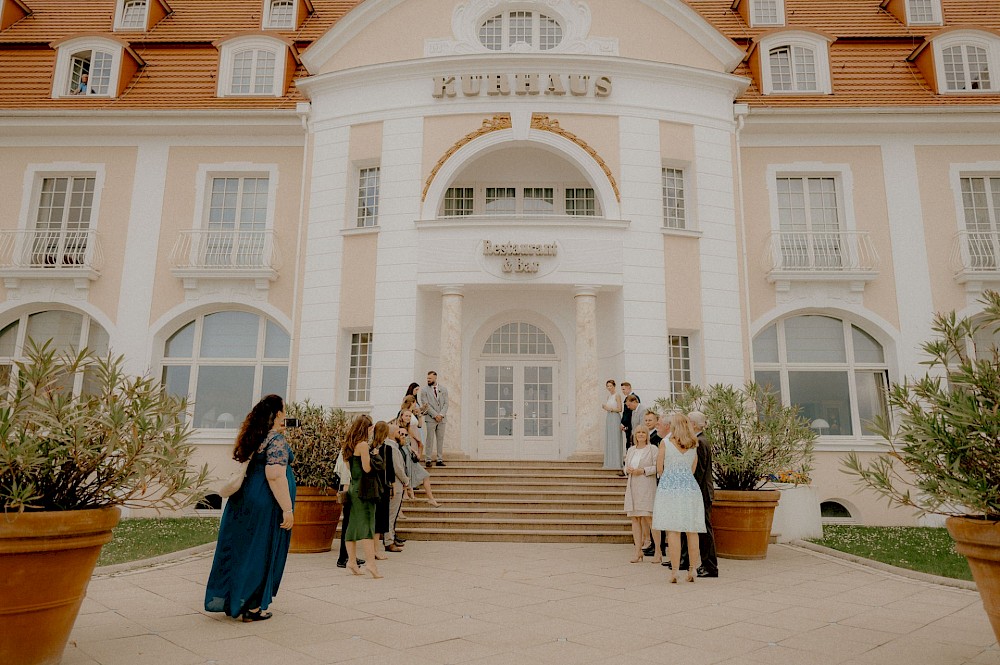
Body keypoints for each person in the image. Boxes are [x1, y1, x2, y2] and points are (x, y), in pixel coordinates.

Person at [205, 394, 295, 621]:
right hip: (265, 501)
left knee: (240, 549)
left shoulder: (257, 437)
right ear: (276, 415)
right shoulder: (276, 441)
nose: (286, 414)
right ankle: (252, 606)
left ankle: (233, 599)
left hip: (243, 499)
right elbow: (274, 476)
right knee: (260, 551)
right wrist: (287, 509)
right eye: (283, 410)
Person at [652, 412, 706, 583]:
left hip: (670, 489)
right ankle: (692, 570)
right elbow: (692, 469)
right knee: (692, 531)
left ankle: (675, 571)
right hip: (690, 488)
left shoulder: (665, 443)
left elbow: (659, 468)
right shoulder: (693, 444)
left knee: (673, 531)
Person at [679, 410, 719, 578]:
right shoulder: (701, 440)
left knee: (704, 530)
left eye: (688, 422)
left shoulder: (700, 442)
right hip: (701, 492)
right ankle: (701, 563)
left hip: (701, 493)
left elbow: (699, 472)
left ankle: (710, 566)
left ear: (693, 424)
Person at [342, 414, 383, 579]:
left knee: (352, 525)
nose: (372, 431)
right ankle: (371, 565)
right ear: (365, 428)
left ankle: (351, 561)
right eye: (370, 428)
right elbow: (367, 468)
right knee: (367, 524)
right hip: (364, 489)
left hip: (353, 487)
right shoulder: (363, 445)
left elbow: (350, 468)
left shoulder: (348, 445)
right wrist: (375, 456)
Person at [623, 425, 659, 563]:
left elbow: (657, 467)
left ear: (647, 435)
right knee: (635, 518)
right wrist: (628, 470)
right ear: (635, 435)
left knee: (649, 518)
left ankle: (658, 551)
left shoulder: (652, 449)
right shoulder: (631, 450)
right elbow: (625, 466)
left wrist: (643, 470)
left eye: (643, 432)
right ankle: (638, 551)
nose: (641, 434)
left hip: (647, 486)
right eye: (638, 432)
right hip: (633, 486)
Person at [397, 410, 442, 507]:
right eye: (406, 416)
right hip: (403, 457)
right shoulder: (398, 428)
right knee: (408, 479)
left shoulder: (408, 428)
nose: (408, 418)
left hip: (409, 456)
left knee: (425, 475)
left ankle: (431, 499)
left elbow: (407, 444)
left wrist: (414, 450)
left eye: (409, 416)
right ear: (401, 416)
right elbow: (400, 444)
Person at [381, 420, 410, 552]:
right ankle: (389, 541)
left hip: (397, 485)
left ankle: (390, 538)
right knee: (391, 514)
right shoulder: (391, 448)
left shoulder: (392, 446)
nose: (401, 434)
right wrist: (406, 480)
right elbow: (397, 467)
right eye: (399, 432)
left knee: (392, 513)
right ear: (393, 433)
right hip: (395, 485)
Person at [334, 448, 365, 569]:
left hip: (348, 489)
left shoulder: (346, 449)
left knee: (350, 525)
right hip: (349, 490)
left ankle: (349, 555)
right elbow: (346, 474)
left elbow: (338, 470)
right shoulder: (349, 450)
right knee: (348, 525)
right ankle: (344, 557)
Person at [420, 370, 448, 466]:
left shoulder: (443, 389)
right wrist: (435, 415)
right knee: (430, 439)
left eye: (430, 378)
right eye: (427, 378)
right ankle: (428, 459)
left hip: (442, 419)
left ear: (435, 378)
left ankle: (439, 459)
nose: (428, 380)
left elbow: (446, 404)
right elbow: (425, 404)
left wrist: (441, 415)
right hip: (430, 418)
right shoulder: (424, 390)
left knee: (440, 439)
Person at [601, 379, 623, 470]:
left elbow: (620, 409)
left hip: (615, 417)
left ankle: (616, 462)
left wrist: (609, 408)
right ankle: (609, 462)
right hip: (609, 418)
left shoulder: (617, 395)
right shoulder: (608, 396)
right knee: (609, 438)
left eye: (610, 386)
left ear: (614, 386)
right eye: (608, 386)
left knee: (615, 438)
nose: (609, 387)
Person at [620, 383, 640, 450]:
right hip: (628, 424)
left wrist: (624, 423)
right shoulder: (627, 398)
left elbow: (629, 413)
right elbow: (625, 412)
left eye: (624, 389)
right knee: (628, 441)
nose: (623, 391)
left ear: (629, 388)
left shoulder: (634, 397)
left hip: (631, 424)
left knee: (631, 442)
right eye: (622, 389)